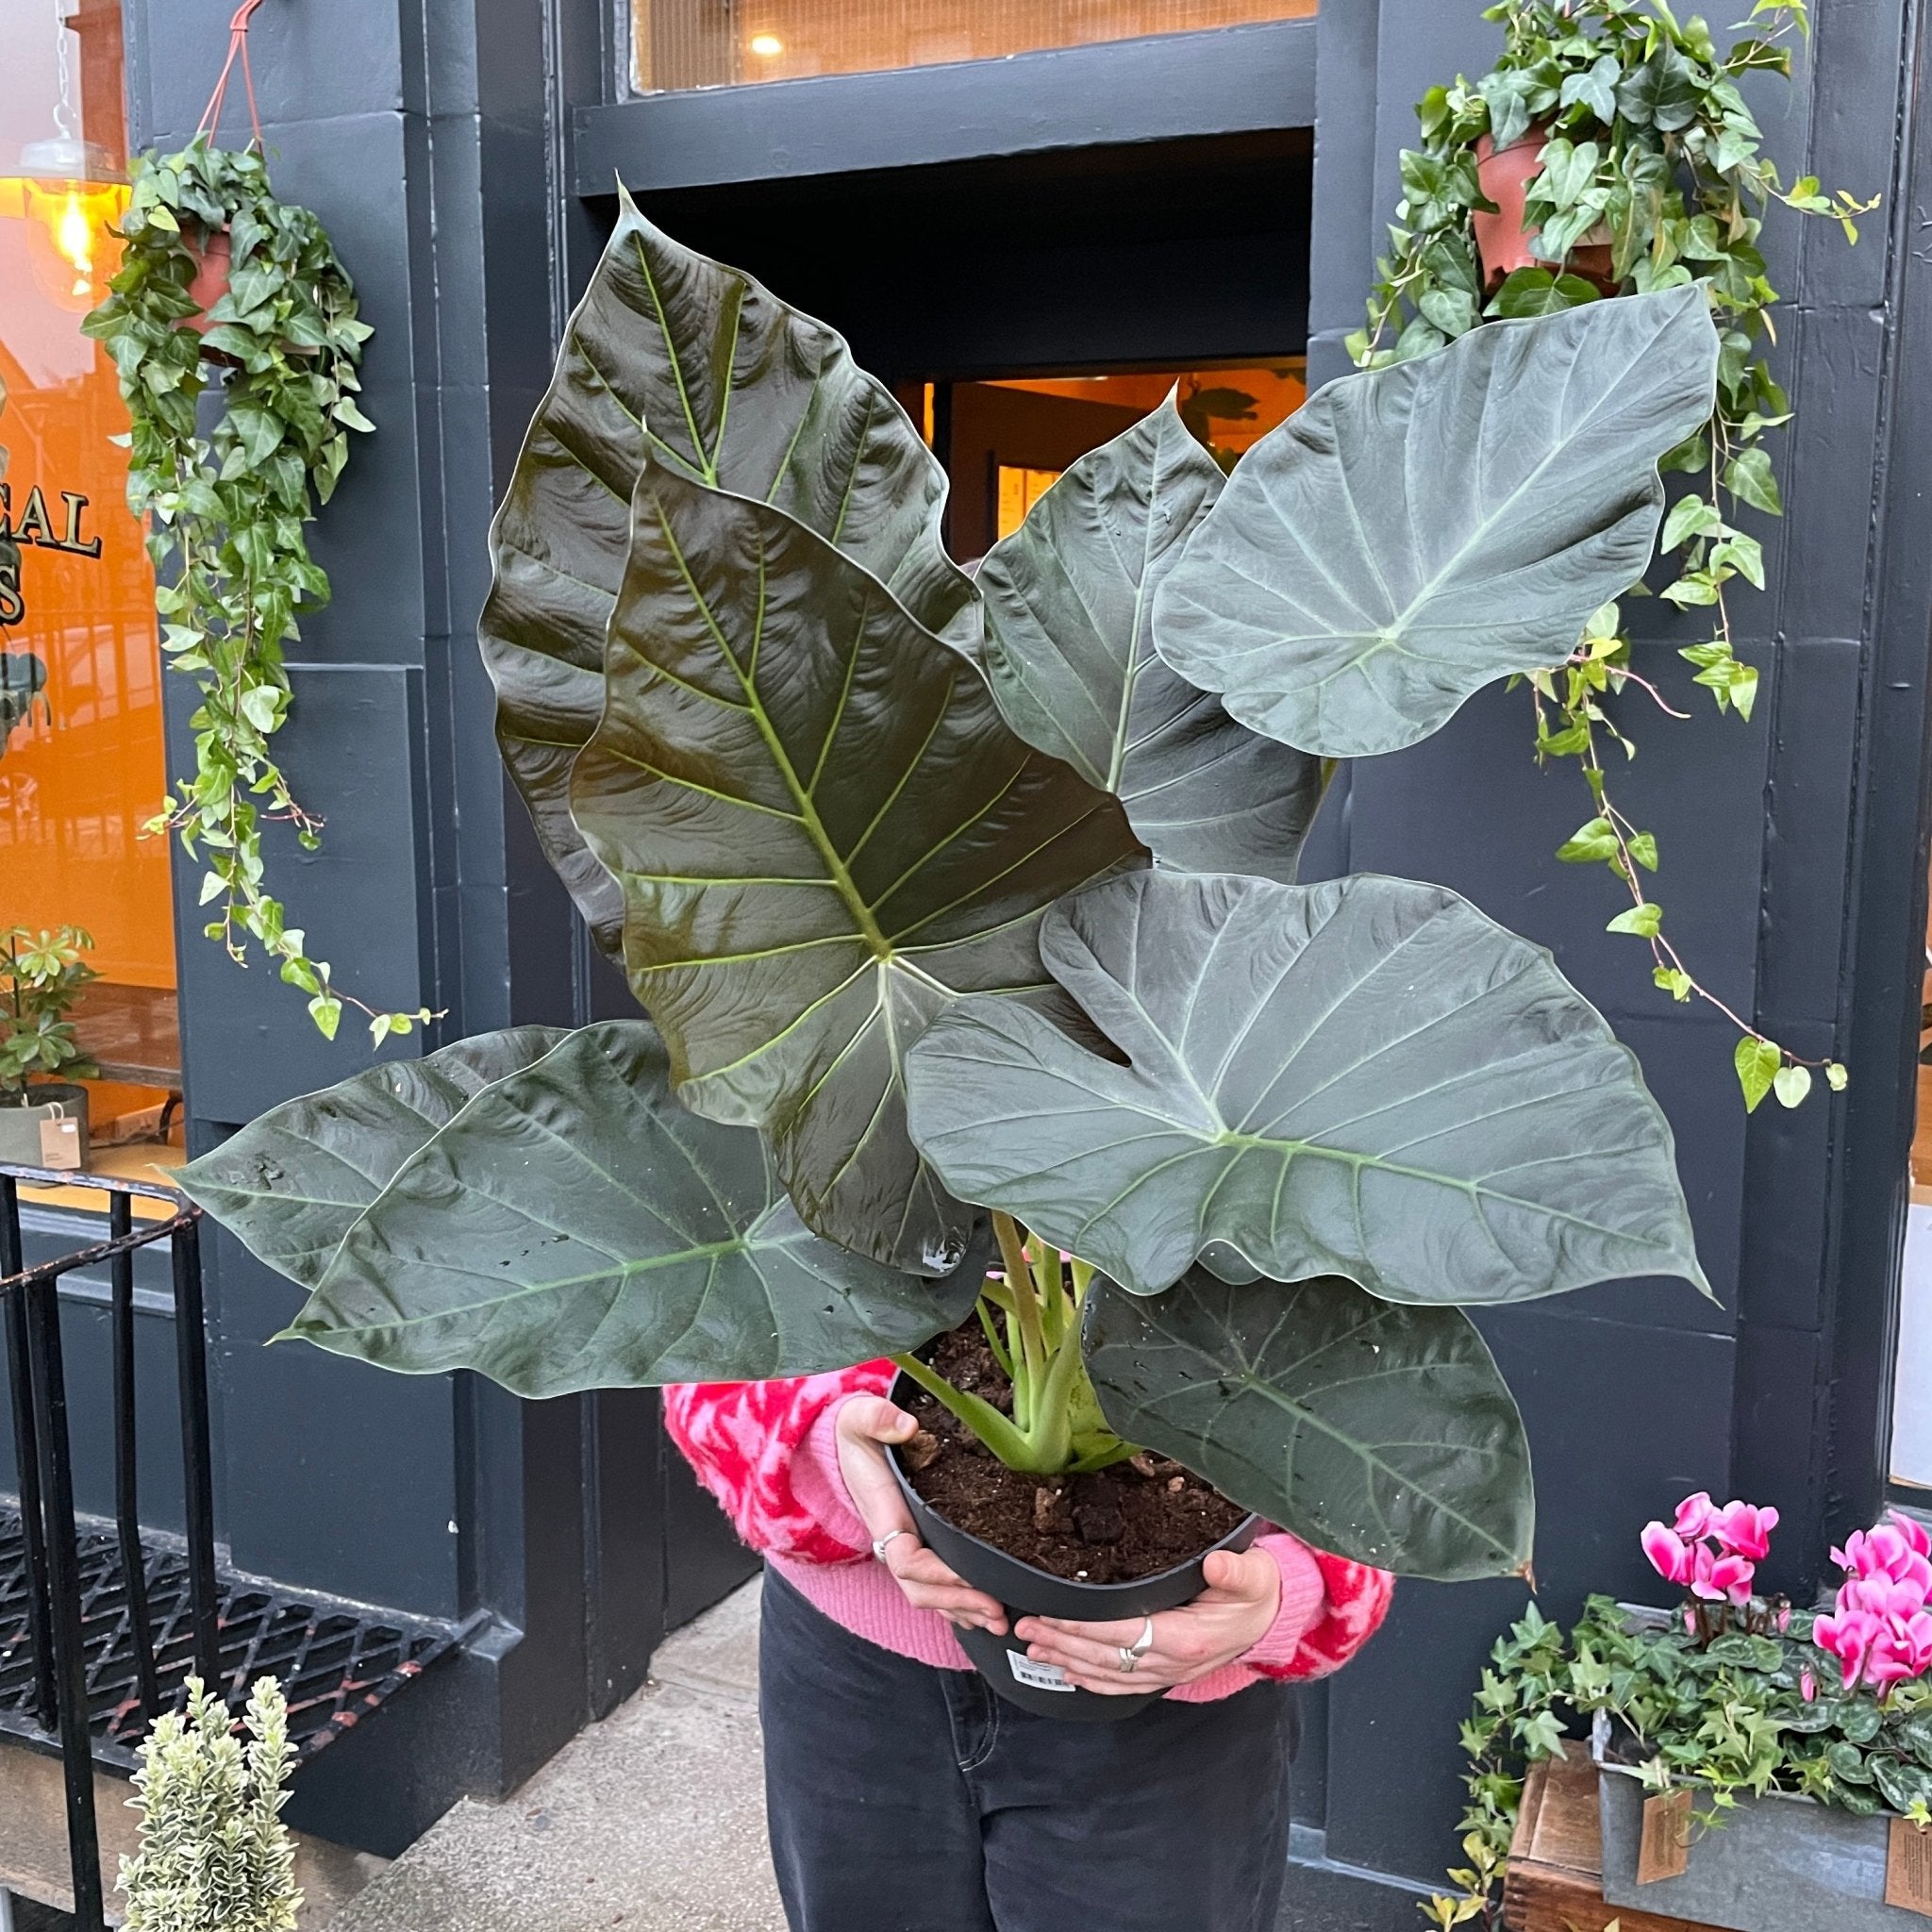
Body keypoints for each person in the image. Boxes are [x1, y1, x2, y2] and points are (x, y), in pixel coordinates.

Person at [665, 1361, 1393, 1932]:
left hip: (1166, 1706)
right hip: (853, 1687)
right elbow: (704, 1311)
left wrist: (1296, 1585)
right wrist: (822, 1446)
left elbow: (1383, 1394)